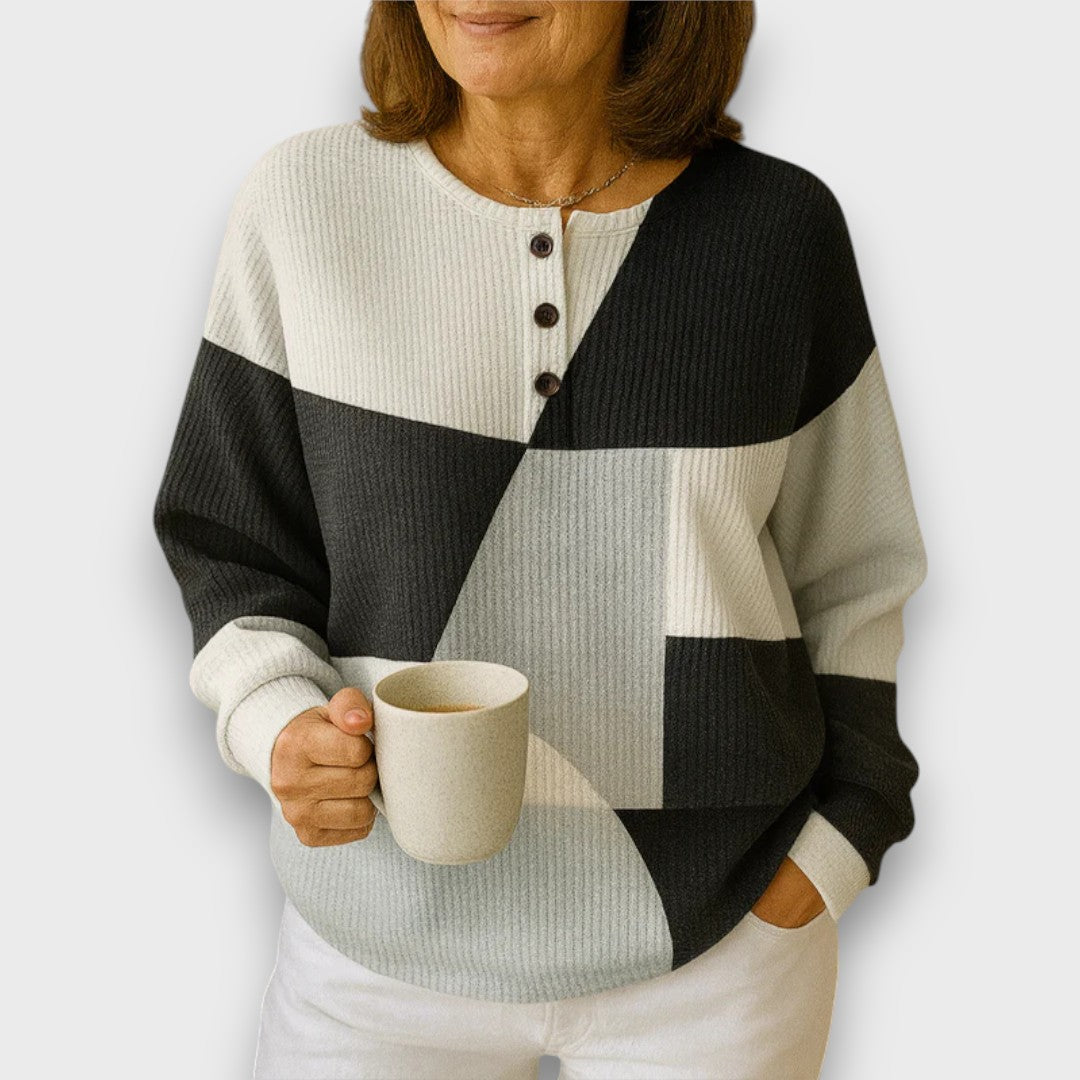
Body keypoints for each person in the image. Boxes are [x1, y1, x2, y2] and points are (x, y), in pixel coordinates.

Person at [152, 2, 929, 1077]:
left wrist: (838, 846)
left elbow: (854, 569)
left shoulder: (777, 233)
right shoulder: (303, 205)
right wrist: (275, 721)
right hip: (376, 948)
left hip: (720, 951)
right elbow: (231, 539)